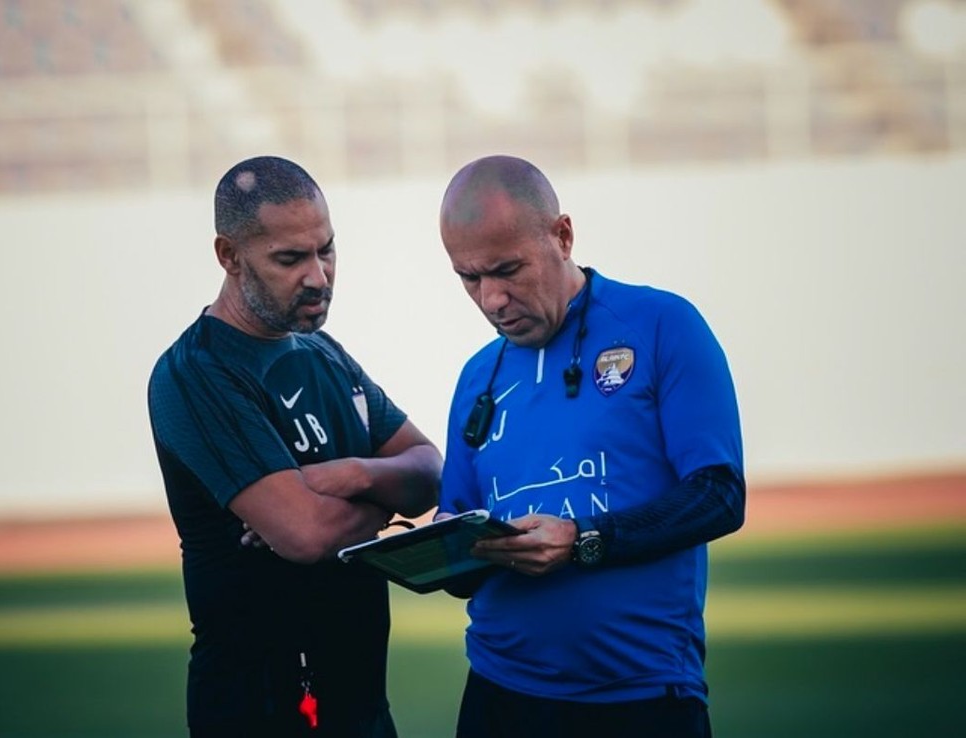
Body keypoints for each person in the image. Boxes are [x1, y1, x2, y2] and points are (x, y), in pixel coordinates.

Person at [435, 155, 745, 738]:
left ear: (563, 236)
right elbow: (460, 552)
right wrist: (440, 547)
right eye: (470, 278)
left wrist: (582, 541)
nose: (492, 299)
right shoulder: (477, 377)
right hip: (498, 697)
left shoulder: (661, 325)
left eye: (507, 269)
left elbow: (719, 496)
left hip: (643, 699)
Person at [147, 155, 441, 738]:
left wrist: (351, 475)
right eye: (290, 259)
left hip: (361, 708)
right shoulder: (196, 373)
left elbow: (431, 472)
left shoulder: (322, 352)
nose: (319, 276)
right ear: (229, 256)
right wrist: (385, 500)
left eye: (326, 250)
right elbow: (305, 535)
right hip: (259, 711)